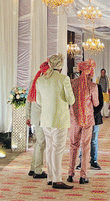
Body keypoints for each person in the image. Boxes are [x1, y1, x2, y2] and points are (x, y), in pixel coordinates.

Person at [35, 54, 76, 189]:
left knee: (50, 149)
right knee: (57, 150)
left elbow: (39, 102)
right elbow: (71, 100)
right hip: (59, 119)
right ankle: (57, 179)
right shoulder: (64, 79)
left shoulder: (40, 80)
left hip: (45, 119)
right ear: (61, 65)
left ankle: (50, 177)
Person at [67, 59, 98, 184]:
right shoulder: (92, 86)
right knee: (85, 147)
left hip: (74, 119)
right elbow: (96, 103)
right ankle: (83, 176)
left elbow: (68, 100)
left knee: (73, 146)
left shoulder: (72, 83)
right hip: (88, 120)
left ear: (79, 70)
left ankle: (70, 174)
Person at [25, 60, 49, 179]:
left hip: (35, 117)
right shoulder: (43, 83)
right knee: (40, 143)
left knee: (37, 143)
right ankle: (38, 170)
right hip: (41, 117)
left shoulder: (34, 82)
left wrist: (28, 116)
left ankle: (33, 167)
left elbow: (28, 101)